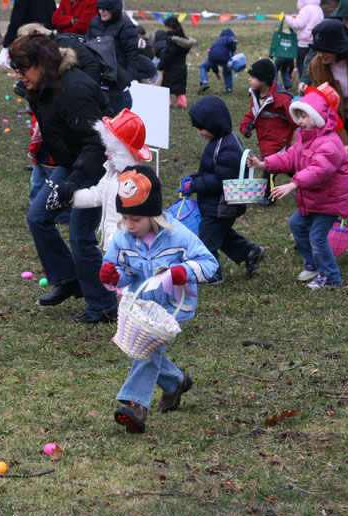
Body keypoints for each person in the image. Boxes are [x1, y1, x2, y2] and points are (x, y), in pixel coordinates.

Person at [101, 165, 219, 433]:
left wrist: (182, 272)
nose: (129, 225)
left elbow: (208, 263)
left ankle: (135, 405)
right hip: (142, 305)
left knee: (148, 349)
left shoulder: (178, 235)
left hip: (171, 306)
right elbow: (124, 273)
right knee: (147, 348)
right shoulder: (123, 237)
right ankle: (175, 381)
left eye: (135, 219)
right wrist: (113, 276)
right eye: (125, 218)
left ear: (153, 215)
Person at [10, 33, 118, 323]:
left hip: (97, 165)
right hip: (72, 162)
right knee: (38, 216)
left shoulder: (75, 90)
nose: (20, 76)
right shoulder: (44, 86)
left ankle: (104, 305)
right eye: (17, 70)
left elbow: (98, 142)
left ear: (43, 64)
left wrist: (75, 179)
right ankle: (68, 278)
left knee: (81, 237)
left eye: (24, 69)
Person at [249, 87, 348, 289]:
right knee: (297, 225)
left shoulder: (330, 143)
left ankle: (331, 277)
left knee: (317, 237)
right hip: (313, 200)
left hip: (329, 201)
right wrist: (264, 164)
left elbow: (319, 170)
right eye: (298, 116)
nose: (300, 121)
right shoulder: (304, 139)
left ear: (319, 117)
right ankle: (313, 264)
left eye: (304, 116)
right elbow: (289, 158)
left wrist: (293, 184)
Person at [181, 96, 266, 285]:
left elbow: (220, 180)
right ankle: (250, 252)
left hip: (222, 205)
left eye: (201, 128)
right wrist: (193, 179)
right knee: (222, 235)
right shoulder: (218, 141)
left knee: (206, 241)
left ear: (213, 124)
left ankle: (212, 274)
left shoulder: (228, 147)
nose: (199, 132)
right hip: (216, 204)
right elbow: (208, 171)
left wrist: (195, 185)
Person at [72, 109, 152, 251]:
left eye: (110, 149)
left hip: (126, 247)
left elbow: (140, 221)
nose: (105, 152)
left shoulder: (134, 183)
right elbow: (97, 194)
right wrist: (70, 198)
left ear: (121, 152)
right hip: (111, 243)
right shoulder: (113, 172)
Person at [239, 59, 297, 206]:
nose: (249, 79)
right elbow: (252, 113)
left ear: (263, 79)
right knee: (289, 167)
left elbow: (294, 118)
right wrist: (246, 126)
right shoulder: (256, 96)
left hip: (278, 140)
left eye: (253, 77)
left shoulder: (281, 98)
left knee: (269, 168)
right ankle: (303, 180)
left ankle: (269, 196)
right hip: (265, 139)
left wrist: (300, 128)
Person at [87, 0, 138, 114]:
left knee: (116, 118)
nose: (101, 12)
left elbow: (131, 54)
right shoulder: (94, 22)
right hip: (97, 79)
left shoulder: (126, 26)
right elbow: (88, 45)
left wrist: (131, 78)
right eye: (99, 8)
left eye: (105, 9)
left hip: (117, 81)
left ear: (114, 9)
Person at [280, 0, 324, 89]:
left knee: (300, 63)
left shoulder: (306, 9)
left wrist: (287, 18)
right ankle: (314, 81)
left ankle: (303, 83)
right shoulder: (318, 8)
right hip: (316, 41)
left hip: (304, 41)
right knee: (314, 62)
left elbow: (298, 24)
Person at [155, 17, 197, 108]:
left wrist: (160, 66)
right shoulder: (183, 39)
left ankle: (167, 102)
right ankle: (182, 102)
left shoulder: (171, 39)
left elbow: (168, 54)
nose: (166, 29)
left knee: (166, 85)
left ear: (170, 27)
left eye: (166, 27)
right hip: (181, 66)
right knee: (179, 86)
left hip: (171, 67)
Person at [197, 29, 237, 94]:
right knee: (227, 71)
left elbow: (214, 63)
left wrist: (217, 73)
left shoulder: (217, 41)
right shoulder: (230, 38)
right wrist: (233, 50)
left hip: (212, 57)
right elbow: (232, 42)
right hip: (224, 57)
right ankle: (229, 88)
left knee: (203, 66)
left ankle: (204, 81)